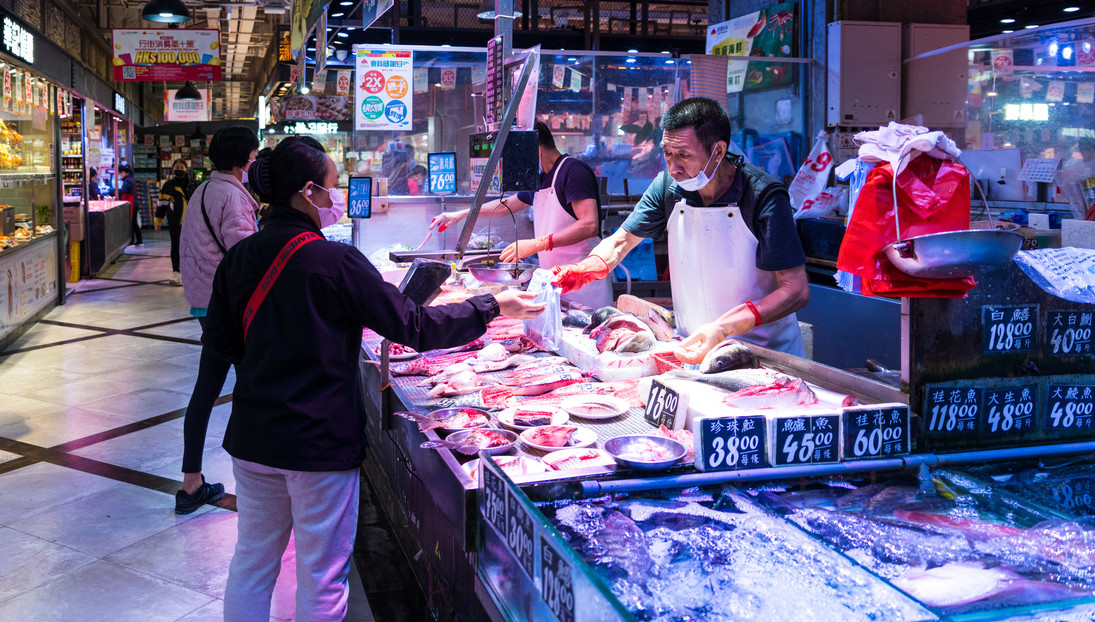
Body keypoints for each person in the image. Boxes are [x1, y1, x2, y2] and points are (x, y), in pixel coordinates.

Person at [204, 137, 544, 620]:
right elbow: (416, 326)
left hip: (255, 438)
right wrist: (490, 304)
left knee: (253, 562)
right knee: (321, 577)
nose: (335, 197)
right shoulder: (335, 261)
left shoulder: (240, 258)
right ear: (307, 192)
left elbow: (219, 343)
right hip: (319, 443)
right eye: (330, 188)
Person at [550, 97, 810, 360]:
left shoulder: (764, 196)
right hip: (693, 347)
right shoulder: (668, 187)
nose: (673, 168)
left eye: (684, 155)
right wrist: (584, 269)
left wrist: (724, 328)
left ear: (718, 152)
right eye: (667, 153)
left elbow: (795, 290)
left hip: (762, 354)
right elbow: (621, 241)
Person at [430, 121, 613, 308]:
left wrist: (537, 244)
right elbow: (505, 206)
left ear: (536, 151)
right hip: (556, 279)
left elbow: (589, 225)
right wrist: (462, 214)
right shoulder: (539, 177)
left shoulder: (573, 172)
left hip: (585, 286)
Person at [175, 125, 260, 515]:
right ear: (243, 160)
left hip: (204, 303)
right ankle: (259, 481)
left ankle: (191, 483)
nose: (256, 160)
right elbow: (245, 259)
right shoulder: (233, 196)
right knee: (253, 388)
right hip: (227, 307)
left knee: (206, 390)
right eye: (254, 154)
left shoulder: (203, 190)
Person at [157, 160, 193, 285]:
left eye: (181, 167)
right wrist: (158, 221)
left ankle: (190, 273)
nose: (179, 169)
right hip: (175, 222)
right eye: (177, 167)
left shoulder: (192, 184)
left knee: (191, 248)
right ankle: (176, 273)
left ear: (186, 169)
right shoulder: (168, 185)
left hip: (192, 223)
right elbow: (162, 204)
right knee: (176, 247)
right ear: (172, 169)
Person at [116, 164, 141, 246]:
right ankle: (138, 241)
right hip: (134, 203)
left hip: (132, 204)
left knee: (132, 223)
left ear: (123, 172)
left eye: (120, 174)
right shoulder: (129, 179)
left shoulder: (128, 181)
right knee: (134, 223)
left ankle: (132, 241)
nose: (120, 175)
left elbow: (123, 191)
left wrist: (113, 192)